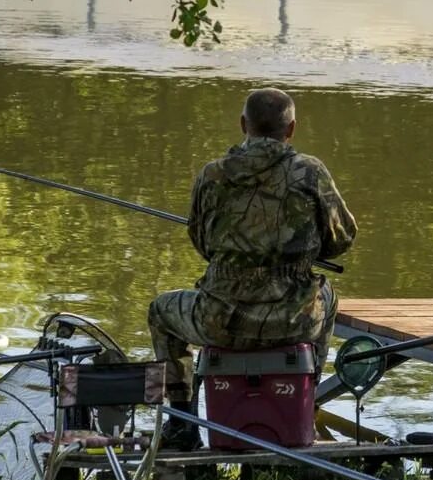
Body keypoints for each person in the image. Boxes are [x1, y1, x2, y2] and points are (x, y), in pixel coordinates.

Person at [148, 87, 357, 449]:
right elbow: (342, 238)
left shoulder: (212, 174)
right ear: (291, 129)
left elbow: (203, 244)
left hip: (219, 319)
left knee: (160, 312)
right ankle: (304, 404)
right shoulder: (310, 172)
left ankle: (181, 419)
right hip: (292, 322)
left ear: (243, 124)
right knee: (328, 296)